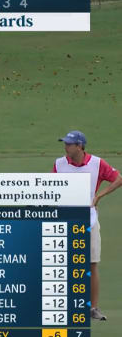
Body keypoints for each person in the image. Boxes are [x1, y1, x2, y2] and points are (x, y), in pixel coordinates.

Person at [53, 130, 122, 320]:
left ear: (80, 146)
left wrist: (99, 195)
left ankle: (93, 308)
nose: (65, 146)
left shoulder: (96, 164)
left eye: (69, 144)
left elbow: (118, 179)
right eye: (65, 143)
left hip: (88, 220)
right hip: (64, 219)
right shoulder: (59, 164)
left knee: (91, 264)